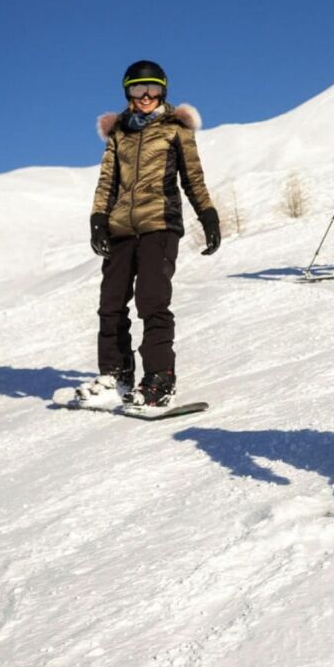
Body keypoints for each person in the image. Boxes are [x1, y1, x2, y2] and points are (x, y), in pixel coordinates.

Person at [77, 60, 220, 409]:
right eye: (137, 90)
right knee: (110, 305)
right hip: (121, 228)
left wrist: (208, 215)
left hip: (160, 224)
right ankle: (116, 375)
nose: (145, 96)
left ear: (163, 92)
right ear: (127, 93)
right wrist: (98, 219)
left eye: (152, 89)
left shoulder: (176, 129)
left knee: (152, 302)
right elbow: (107, 181)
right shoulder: (119, 133)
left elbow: (192, 178)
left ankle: (159, 379)